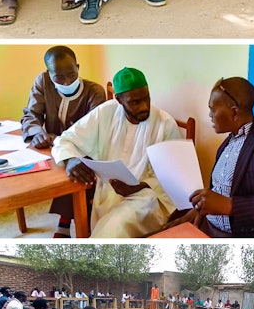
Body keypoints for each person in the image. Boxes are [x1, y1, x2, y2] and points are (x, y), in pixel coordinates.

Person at [53, 67, 184, 237]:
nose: (144, 107)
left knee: (113, 228)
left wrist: (140, 186)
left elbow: (177, 177)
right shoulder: (106, 112)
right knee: (106, 225)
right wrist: (70, 159)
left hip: (148, 196)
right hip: (108, 191)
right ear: (119, 100)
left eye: (146, 98)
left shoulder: (165, 124)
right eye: (134, 102)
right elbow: (66, 139)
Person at [21, 45, 106, 236]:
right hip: (51, 149)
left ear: (78, 67)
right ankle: (66, 221)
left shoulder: (95, 92)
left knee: (78, 168)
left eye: (71, 74)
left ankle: (65, 221)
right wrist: (36, 133)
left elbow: (94, 134)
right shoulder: (43, 82)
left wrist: (61, 142)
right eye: (59, 77)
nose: (67, 82)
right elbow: (31, 114)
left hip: (85, 149)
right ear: (49, 74)